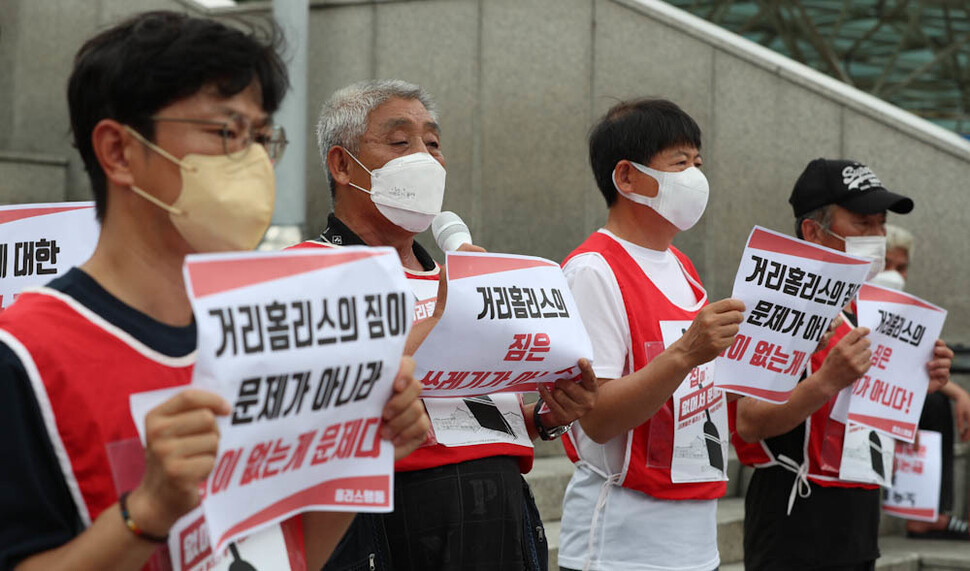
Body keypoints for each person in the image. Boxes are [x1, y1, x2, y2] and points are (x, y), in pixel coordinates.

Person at [0, 12, 428, 570]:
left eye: (260, 137)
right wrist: (147, 512)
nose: (252, 161)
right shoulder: (26, 357)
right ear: (119, 151)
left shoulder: (271, 335)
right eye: (226, 132)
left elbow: (288, 556)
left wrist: (366, 449)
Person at [294, 79, 598, 571]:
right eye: (400, 142)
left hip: (502, 512)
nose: (425, 157)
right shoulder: (304, 272)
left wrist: (545, 415)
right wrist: (436, 321)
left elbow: (470, 407)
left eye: (433, 143)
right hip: (388, 517)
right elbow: (320, 412)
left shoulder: (458, 276)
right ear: (342, 164)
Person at [732, 158, 955, 569]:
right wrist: (824, 382)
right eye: (862, 224)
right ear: (813, 231)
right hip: (794, 519)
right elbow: (749, 422)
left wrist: (918, 380)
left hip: (859, 516)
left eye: (880, 224)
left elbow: (871, 408)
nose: (878, 238)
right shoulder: (775, 305)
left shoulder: (868, 308)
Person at [556, 98, 746, 571]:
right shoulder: (592, 270)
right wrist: (685, 353)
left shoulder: (681, 266)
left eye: (698, 162)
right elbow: (595, 417)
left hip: (696, 538)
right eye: (680, 163)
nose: (696, 176)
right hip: (621, 544)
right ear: (626, 177)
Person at [877, 224, 970, 540]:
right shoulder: (851, 305)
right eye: (886, 264)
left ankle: (930, 510)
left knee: (937, 400)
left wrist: (959, 393)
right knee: (928, 402)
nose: (895, 274)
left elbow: (910, 364)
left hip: (889, 398)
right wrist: (898, 415)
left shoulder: (902, 308)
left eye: (901, 267)